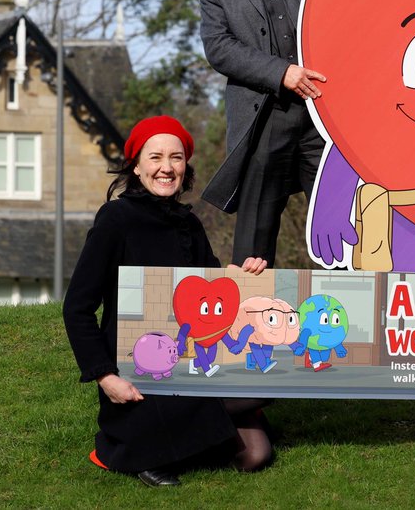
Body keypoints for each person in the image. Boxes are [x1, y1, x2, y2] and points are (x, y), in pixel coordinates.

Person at [63, 115, 272, 487]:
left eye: (176, 158)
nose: (166, 167)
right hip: (139, 368)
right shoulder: (116, 218)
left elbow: (215, 290)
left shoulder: (189, 223)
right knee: (234, 416)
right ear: (137, 166)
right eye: (155, 157)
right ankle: (134, 448)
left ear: (185, 167)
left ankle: (201, 430)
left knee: (256, 455)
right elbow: (77, 307)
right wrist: (105, 376)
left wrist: (244, 276)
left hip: (192, 358)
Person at [196, 0, 362, 267]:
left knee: (345, 223)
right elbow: (219, 47)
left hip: (324, 116)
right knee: (253, 241)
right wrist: (281, 72)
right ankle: (249, 318)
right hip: (262, 119)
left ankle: (356, 312)